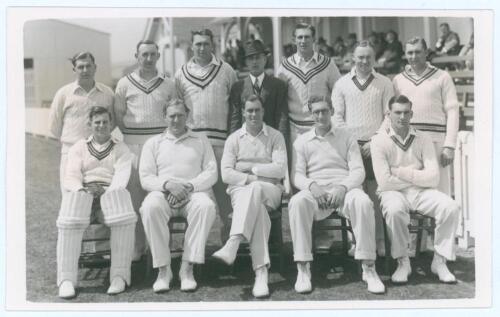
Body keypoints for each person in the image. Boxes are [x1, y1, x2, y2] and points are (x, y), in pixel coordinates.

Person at [288, 96, 384, 295]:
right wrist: (312, 185)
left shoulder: (346, 136)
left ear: (331, 111)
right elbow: (296, 175)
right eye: (316, 112)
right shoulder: (302, 141)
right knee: (297, 202)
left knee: (363, 202)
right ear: (311, 113)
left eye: (324, 111)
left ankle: (369, 267)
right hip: (316, 192)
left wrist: (342, 187)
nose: (321, 115)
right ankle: (303, 267)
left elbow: (358, 171)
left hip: (344, 189)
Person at [371, 95, 460, 284]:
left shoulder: (423, 138)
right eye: (397, 112)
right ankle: (403, 261)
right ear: (389, 114)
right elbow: (384, 182)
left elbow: (434, 177)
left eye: (406, 112)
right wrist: (418, 177)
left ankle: (440, 260)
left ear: (411, 114)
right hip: (392, 193)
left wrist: (400, 172)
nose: (402, 117)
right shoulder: (379, 141)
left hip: (420, 192)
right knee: (394, 211)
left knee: (450, 206)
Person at [56, 106, 137, 298]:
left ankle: (119, 275)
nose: (101, 126)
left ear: (111, 124)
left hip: (110, 196)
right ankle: (67, 279)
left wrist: (106, 192)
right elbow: (71, 176)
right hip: (85, 195)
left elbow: (121, 178)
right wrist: (82, 190)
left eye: (105, 122)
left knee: (123, 216)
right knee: (69, 218)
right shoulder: (79, 147)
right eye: (97, 122)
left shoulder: (120, 148)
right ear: (90, 124)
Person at [139, 99, 217, 293]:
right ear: (164, 117)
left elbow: (211, 172)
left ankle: (187, 268)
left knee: (206, 206)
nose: (176, 120)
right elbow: (145, 177)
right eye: (172, 115)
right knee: (149, 207)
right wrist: (168, 185)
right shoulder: (153, 143)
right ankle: (164, 271)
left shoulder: (201, 139)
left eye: (180, 115)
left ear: (187, 115)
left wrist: (188, 187)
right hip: (163, 194)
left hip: (193, 193)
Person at [213, 95, 287, 298]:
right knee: (259, 210)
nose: (253, 114)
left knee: (255, 189)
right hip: (241, 191)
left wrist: (249, 168)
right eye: (250, 110)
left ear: (263, 111)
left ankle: (234, 241)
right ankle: (261, 273)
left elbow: (280, 169)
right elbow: (226, 174)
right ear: (244, 112)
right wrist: (257, 176)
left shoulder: (275, 136)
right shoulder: (233, 139)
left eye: (257, 110)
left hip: (271, 190)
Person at [114, 40, 177, 260]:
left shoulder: (168, 84)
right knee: (136, 200)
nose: (148, 59)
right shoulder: (124, 83)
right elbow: (118, 115)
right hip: (133, 147)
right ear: (136, 56)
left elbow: (174, 115)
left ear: (158, 56)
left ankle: (161, 247)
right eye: (144, 55)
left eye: (152, 54)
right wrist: (133, 137)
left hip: (161, 147)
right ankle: (138, 246)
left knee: (160, 198)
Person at [331, 40, 394, 255]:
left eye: (368, 57)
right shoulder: (341, 84)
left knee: (377, 196)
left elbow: (389, 116)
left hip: (376, 145)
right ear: (353, 58)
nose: (364, 61)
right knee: (355, 194)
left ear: (374, 59)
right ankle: (356, 240)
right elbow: (337, 117)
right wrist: (352, 144)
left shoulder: (384, 82)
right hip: (351, 148)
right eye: (360, 57)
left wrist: (374, 141)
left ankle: (380, 240)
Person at [175, 28, 238, 238]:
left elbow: (236, 105)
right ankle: (194, 248)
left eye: (206, 44)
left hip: (221, 142)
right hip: (193, 144)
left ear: (213, 45)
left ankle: (229, 243)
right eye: (198, 44)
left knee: (225, 197)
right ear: (191, 46)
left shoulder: (226, 70)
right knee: (194, 196)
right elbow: (177, 110)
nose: (202, 48)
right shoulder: (180, 73)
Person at [392, 37, 460, 195]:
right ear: (405, 54)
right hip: (408, 143)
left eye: (417, 52)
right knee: (411, 194)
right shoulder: (398, 80)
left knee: (440, 192)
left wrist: (449, 145)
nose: (413, 56)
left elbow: (453, 111)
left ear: (426, 52)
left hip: (436, 141)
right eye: (410, 52)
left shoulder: (443, 77)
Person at [48, 51, 114, 193]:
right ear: (74, 69)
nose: (85, 70)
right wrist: (74, 143)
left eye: (88, 66)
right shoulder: (64, 93)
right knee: (71, 200)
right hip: (70, 152)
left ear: (95, 67)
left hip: (99, 154)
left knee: (100, 201)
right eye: (81, 67)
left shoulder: (107, 93)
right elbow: (54, 126)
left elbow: (112, 123)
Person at [276, 23, 341, 153]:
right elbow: (279, 99)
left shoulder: (327, 64)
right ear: (294, 40)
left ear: (314, 39)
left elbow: (339, 94)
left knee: (320, 169)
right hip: (295, 129)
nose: (303, 41)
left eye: (307, 37)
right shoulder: (285, 67)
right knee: (297, 170)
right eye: (300, 37)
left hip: (321, 127)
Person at [229, 39, 288, 140]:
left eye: (258, 57)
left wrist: (281, 144)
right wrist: (234, 144)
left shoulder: (278, 86)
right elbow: (235, 120)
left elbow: (282, 119)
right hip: (246, 143)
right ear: (246, 62)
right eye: (251, 58)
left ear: (265, 59)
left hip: (271, 141)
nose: (254, 61)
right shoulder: (238, 88)